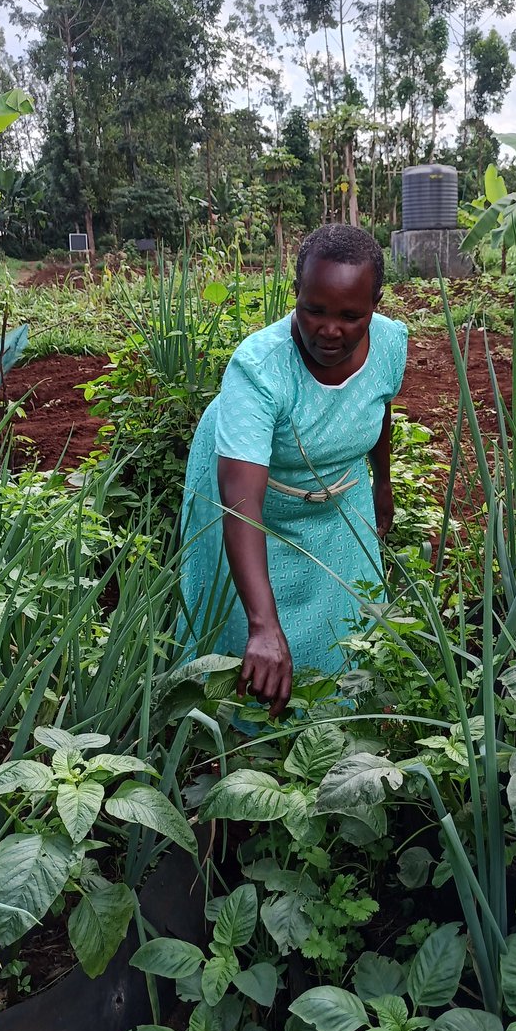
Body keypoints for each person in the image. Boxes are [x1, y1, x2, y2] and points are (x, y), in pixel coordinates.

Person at [179, 224, 408, 718]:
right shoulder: (259, 368)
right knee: (242, 625)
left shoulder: (390, 344)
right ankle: (237, 736)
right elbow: (241, 501)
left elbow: (379, 406)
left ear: (376, 304)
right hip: (245, 488)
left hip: (339, 487)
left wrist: (382, 483)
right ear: (295, 295)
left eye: (352, 315)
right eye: (314, 310)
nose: (331, 329)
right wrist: (263, 626)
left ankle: (338, 717)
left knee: (345, 610)